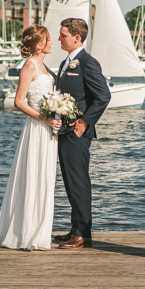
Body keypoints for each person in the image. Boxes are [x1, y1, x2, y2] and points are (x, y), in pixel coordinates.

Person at [0, 25, 61, 250]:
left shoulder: (44, 66)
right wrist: (45, 118)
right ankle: (26, 232)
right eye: (48, 40)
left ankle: (40, 231)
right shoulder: (29, 66)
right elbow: (19, 101)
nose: (52, 43)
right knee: (33, 175)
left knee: (45, 178)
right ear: (39, 44)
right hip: (37, 128)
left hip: (49, 129)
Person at [52, 17, 111, 250]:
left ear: (77, 38)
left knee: (79, 182)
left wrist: (85, 122)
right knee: (69, 182)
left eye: (63, 35)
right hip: (64, 130)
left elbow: (103, 97)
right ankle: (75, 228)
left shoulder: (88, 63)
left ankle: (83, 234)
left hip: (77, 132)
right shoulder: (66, 62)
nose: (59, 38)